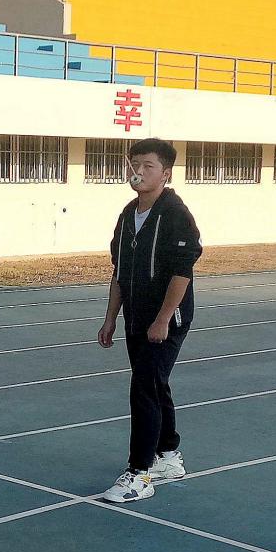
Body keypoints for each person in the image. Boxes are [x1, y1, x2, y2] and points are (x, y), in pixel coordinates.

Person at [97, 138, 202, 502]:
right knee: (154, 384)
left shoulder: (175, 214)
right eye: (135, 164)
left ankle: (139, 472)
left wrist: (162, 319)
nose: (138, 172)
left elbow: (182, 272)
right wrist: (110, 318)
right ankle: (168, 455)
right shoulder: (128, 214)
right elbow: (119, 271)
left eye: (148, 166)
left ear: (165, 173)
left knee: (143, 387)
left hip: (166, 319)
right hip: (135, 315)